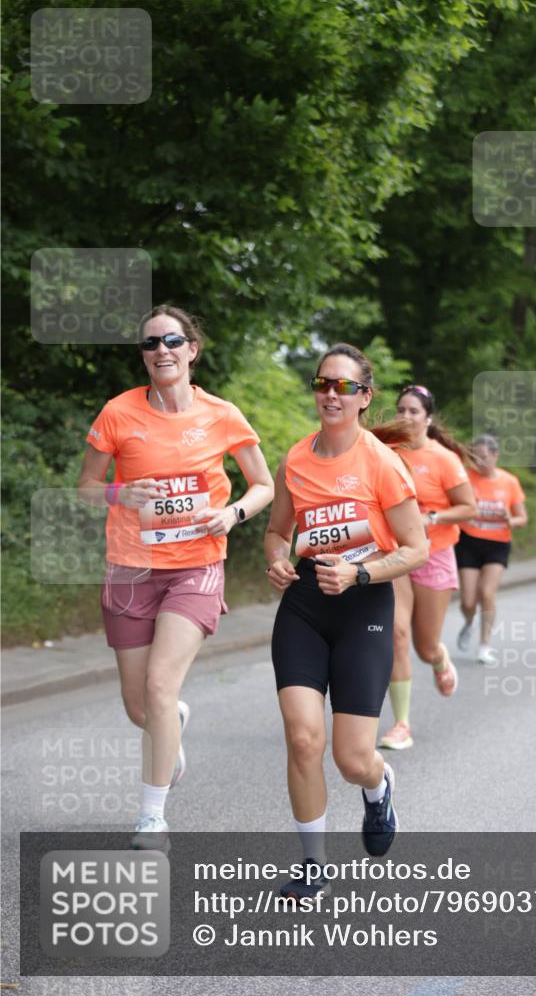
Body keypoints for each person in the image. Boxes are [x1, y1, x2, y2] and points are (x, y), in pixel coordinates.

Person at [78, 305, 274, 848]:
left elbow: (264, 485)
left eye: (171, 340)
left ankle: (152, 818)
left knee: (161, 686)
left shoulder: (222, 414)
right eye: (150, 344)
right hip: (130, 567)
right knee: (140, 705)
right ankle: (170, 725)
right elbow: (88, 487)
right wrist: (121, 492)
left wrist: (231, 514)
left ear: (192, 349)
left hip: (196, 566)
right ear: (143, 356)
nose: (161, 350)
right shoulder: (118, 412)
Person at [265, 343, 428, 899]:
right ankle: (313, 865)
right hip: (306, 606)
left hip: (364, 607)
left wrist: (360, 575)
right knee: (303, 738)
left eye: (344, 387)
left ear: (365, 397)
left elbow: (416, 549)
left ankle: (378, 787)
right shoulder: (296, 459)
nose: (331, 394)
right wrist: (276, 561)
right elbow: (274, 533)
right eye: (323, 384)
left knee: (351, 757)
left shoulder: (382, 463)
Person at [378, 385, 476, 751]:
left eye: (413, 411)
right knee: (396, 635)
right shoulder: (386, 452)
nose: (405, 416)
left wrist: (432, 516)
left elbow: (469, 507)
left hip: (435, 555)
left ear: (428, 418)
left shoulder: (444, 459)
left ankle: (439, 659)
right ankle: (402, 724)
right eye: (401, 409)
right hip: (398, 554)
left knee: (424, 646)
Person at [455, 435, 528, 664]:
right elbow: (455, 506)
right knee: (468, 600)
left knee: (486, 593)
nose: (480, 462)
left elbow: (522, 518)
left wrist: (509, 519)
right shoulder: (465, 478)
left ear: (496, 455)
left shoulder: (509, 482)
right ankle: (469, 622)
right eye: (475, 457)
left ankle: (485, 645)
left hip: (497, 543)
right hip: (469, 540)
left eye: (484, 457)